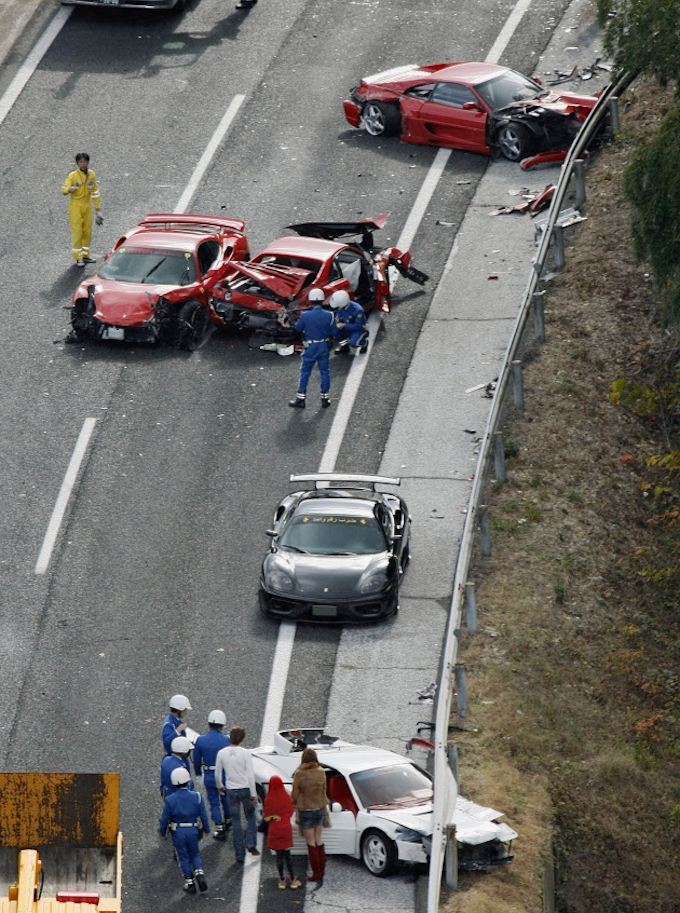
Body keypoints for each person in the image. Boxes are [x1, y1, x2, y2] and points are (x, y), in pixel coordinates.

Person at [159, 767, 210, 894]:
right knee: (195, 853)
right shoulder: (197, 796)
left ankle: (190, 883)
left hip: (179, 831)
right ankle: (199, 872)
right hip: (193, 829)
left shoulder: (170, 800)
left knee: (183, 857)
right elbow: (203, 814)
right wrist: (207, 828)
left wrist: (162, 831)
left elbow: (164, 818)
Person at [215, 726, 259, 863]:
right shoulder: (246, 753)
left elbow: (217, 774)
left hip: (231, 790)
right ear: (242, 739)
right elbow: (250, 775)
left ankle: (239, 854)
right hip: (245, 788)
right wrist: (254, 793)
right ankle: (251, 842)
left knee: (236, 821)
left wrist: (220, 786)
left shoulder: (222, 753)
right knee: (251, 816)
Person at [289, 288, 336, 410]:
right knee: (325, 371)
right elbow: (334, 331)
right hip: (323, 346)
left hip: (310, 347)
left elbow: (298, 328)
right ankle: (325, 398)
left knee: (305, 372)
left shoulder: (305, 315)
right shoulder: (329, 315)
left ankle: (301, 398)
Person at [291, 747, 328, 887]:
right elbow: (324, 790)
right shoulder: (321, 771)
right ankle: (322, 870)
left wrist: (293, 802)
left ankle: (316, 872)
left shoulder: (299, 773)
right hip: (319, 807)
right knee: (318, 839)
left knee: (310, 841)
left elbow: (295, 794)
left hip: (305, 809)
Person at [193, 710, 232, 840]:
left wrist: (199, 775)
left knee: (214, 802)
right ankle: (228, 820)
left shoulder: (201, 740)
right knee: (226, 799)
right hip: (225, 774)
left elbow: (197, 760)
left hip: (209, 774)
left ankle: (219, 826)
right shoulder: (227, 739)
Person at [61, 153, 103, 267]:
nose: (83, 164)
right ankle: (78, 257)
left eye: (84, 162)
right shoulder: (73, 175)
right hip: (75, 205)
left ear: (88, 162)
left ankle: (85, 255)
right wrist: (69, 189)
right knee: (77, 232)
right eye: (80, 162)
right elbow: (64, 189)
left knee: (87, 232)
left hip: (86, 205)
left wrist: (97, 209)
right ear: (77, 163)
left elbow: (95, 192)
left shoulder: (92, 175)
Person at [263, 776, 301, 890]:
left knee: (279, 857)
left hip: (275, 830)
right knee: (288, 856)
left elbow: (265, 818)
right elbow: (290, 811)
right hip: (285, 829)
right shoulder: (286, 797)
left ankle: (282, 880)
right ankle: (293, 879)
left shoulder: (268, 799)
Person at [330, 289, 369, 355]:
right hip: (347, 327)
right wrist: (337, 320)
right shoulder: (341, 307)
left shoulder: (357, 310)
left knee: (353, 343)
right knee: (334, 330)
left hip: (359, 330)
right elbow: (339, 315)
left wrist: (344, 325)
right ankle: (344, 346)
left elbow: (358, 326)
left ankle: (364, 343)